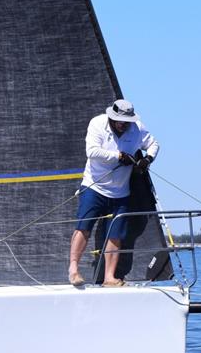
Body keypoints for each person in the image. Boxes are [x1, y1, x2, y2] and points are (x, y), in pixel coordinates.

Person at [68, 99, 159, 287]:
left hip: (120, 192)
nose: (121, 124)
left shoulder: (137, 128)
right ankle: (73, 270)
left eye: (125, 121)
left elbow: (154, 144)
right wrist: (118, 156)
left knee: (116, 235)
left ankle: (110, 278)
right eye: (118, 120)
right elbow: (92, 151)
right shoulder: (97, 123)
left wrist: (148, 159)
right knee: (83, 228)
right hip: (94, 186)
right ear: (111, 116)